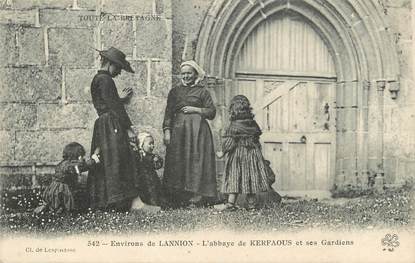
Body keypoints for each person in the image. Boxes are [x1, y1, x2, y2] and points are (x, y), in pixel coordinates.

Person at [88, 46, 143, 212]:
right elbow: (114, 107)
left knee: (108, 160)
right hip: (111, 124)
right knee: (120, 159)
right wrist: (129, 128)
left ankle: (106, 201)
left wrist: (119, 99)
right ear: (110, 64)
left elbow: (108, 101)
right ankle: (129, 202)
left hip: (103, 123)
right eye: (118, 67)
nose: (119, 72)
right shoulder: (106, 80)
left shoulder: (98, 79)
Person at [162, 60, 217, 207]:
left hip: (198, 132)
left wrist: (196, 109)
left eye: (189, 73)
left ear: (195, 74)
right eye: (183, 73)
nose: (186, 76)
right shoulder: (174, 92)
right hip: (179, 131)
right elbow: (168, 113)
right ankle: (179, 197)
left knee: (196, 161)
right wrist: (167, 131)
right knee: (179, 161)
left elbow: (211, 112)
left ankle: (197, 196)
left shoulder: (203, 92)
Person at [214, 95, 272, 211]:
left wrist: (222, 152)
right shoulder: (253, 124)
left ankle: (230, 204)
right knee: (251, 180)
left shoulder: (234, 125)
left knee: (235, 178)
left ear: (233, 110)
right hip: (253, 155)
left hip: (238, 156)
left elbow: (230, 142)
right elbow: (257, 140)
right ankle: (252, 205)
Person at [39, 142, 100, 214]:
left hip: (54, 187)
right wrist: (94, 158)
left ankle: (49, 210)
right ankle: (59, 212)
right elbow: (83, 167)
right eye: (81, 156)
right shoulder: (70, 165)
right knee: (64, 202)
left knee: (56, 203)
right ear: (78, 156)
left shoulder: (63, 163)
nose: (82, 158)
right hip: (61, 188)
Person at [133, 132, 164, 207]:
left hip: (151, 179)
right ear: (141, 144)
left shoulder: (152, 156)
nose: (152, 146)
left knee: (153, 190)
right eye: (149, 144)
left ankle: (156, 203)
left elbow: (157, 166)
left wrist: (157, 161)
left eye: (153, 143)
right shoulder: (138, 156)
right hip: (141, 179)